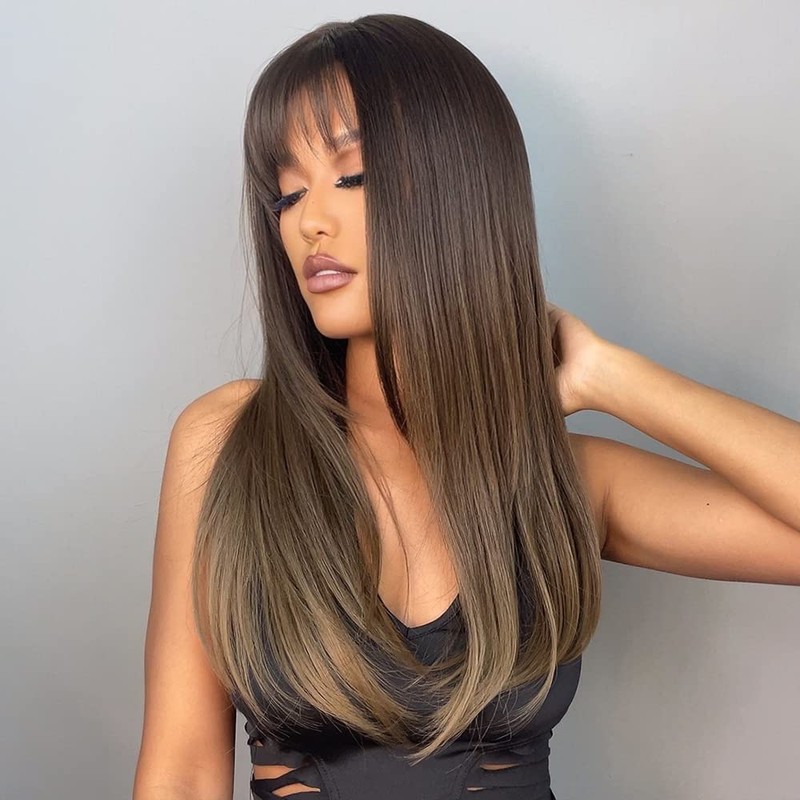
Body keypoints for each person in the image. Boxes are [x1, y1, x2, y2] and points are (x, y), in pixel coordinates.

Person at [132, 13, 800, 800]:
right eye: (287, 191)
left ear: (458, 193)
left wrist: (611, 376)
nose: (310, 220)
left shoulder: (560, 480)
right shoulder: (229, 445)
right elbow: (181, 770)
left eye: (353, 177)